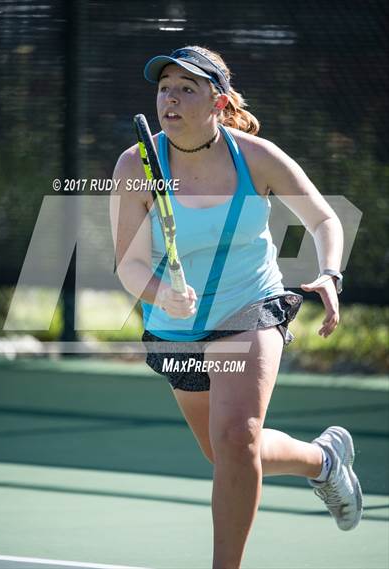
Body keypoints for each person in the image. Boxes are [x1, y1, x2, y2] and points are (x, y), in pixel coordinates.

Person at [110, 46, 363, 569]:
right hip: (175, 326)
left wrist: (330, 274)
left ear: (219, 102)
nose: (170, 99)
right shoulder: (137, 164)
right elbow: (128, 264)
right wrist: (162, 293)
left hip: (250, 305)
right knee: (225, 452)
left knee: (235, 436)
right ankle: (323, 460)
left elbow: (324, 220)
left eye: (187, 88)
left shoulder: (257, 157)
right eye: (164, 88)